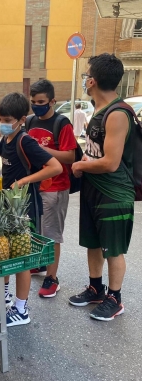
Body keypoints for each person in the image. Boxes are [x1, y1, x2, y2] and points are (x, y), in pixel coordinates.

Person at [0, 92, 62, 327]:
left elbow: (55, 167)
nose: (2, 124)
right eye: (0, 119)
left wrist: (25, 181)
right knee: (5, 251)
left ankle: (21, 308)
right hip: (7, 203)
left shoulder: (25, 140)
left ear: (21, 120)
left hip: (23, 206)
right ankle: (3, 292)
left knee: (22, 259)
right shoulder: (6, 139)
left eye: (7, 120)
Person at [69, 53, 135, 321]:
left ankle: (115, 299)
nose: (85, 79)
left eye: (86, 75)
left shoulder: (117, 113)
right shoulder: (97, 109)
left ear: (92, 80)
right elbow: (98, 153)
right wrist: (86, 160)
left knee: (113, 249)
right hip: (94, 189)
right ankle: (96, 288)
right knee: (93, 243)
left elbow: (110, 163)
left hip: (113, 193)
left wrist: (80, 166)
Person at [27, 79, 77, 298]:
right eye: (33, 101)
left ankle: (52, 278)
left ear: (52, 101)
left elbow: (70, 155)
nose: (36, 105)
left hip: (55, 187)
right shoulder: (29, 122)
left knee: (52, 234)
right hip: (35, 186)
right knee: (37, 230)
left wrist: (41, 150)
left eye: (41, 102)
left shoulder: (61, 123)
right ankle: (41, 263)